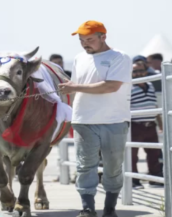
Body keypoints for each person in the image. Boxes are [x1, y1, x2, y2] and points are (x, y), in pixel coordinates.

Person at [59, 21, 132, 217]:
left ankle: (110, 209)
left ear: (103, 37)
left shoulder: (120, 57)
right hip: (83, 119)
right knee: (84, 166)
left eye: (89, 39)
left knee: (113, 165)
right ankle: (87, 209)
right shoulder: (78, 58)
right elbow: (73, 88)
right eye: (82, 40)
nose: (85, 44)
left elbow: (111, 87)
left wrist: (74, 88)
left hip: (114, 120)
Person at [130, 61, 164, 189]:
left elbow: (154, 106)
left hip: (150, 125)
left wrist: (160, 124)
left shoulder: (150, 84)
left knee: (154, 153)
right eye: (135, 71)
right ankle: (134, 180)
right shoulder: (129, 87)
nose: (138, 74)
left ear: (146, 71)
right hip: (135, 125)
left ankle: (155, 178)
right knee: (132, 155)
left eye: (141, 70)